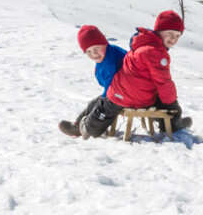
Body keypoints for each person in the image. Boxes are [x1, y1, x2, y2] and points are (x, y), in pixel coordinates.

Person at [80, 10, 192, 139]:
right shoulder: (156, 52)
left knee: (107, 106)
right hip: (140, 98)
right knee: (167, 102)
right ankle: (175, 125)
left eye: (178, 36)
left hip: (118, 94)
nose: (174, 39)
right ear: (158, 31)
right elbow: (163, 82)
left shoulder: (140, 45)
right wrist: (172, 104)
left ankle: (89, 128)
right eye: (170, 34)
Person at [58, 26, 127, 138]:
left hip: (125, 94)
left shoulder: (110, 60)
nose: (94, 54)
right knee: (94, 102)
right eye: (88, 51)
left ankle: (88, 129)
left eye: (96, 48)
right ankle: (77, 126)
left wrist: (104, 99)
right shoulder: (108, 53)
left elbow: (111, 85)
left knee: (101, 105)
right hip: (121, 92)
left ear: (104, 43)